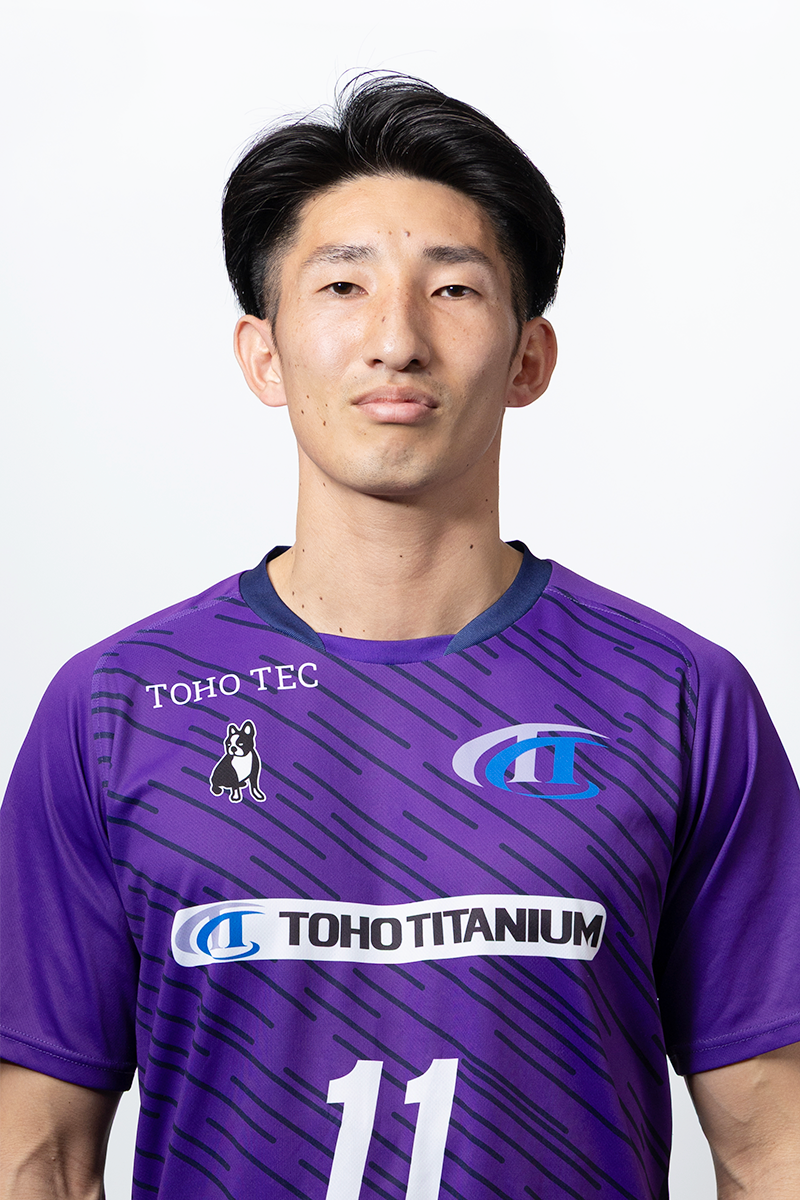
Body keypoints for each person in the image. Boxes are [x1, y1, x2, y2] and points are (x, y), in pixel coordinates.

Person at [0, 73, 798, 1200]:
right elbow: (35, 1154)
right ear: (263, 355)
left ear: (528, 358)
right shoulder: (113, 710)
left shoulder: (674, 698)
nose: (396, 339)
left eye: (453, 288)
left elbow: (773, 1148)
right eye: (342, 285)